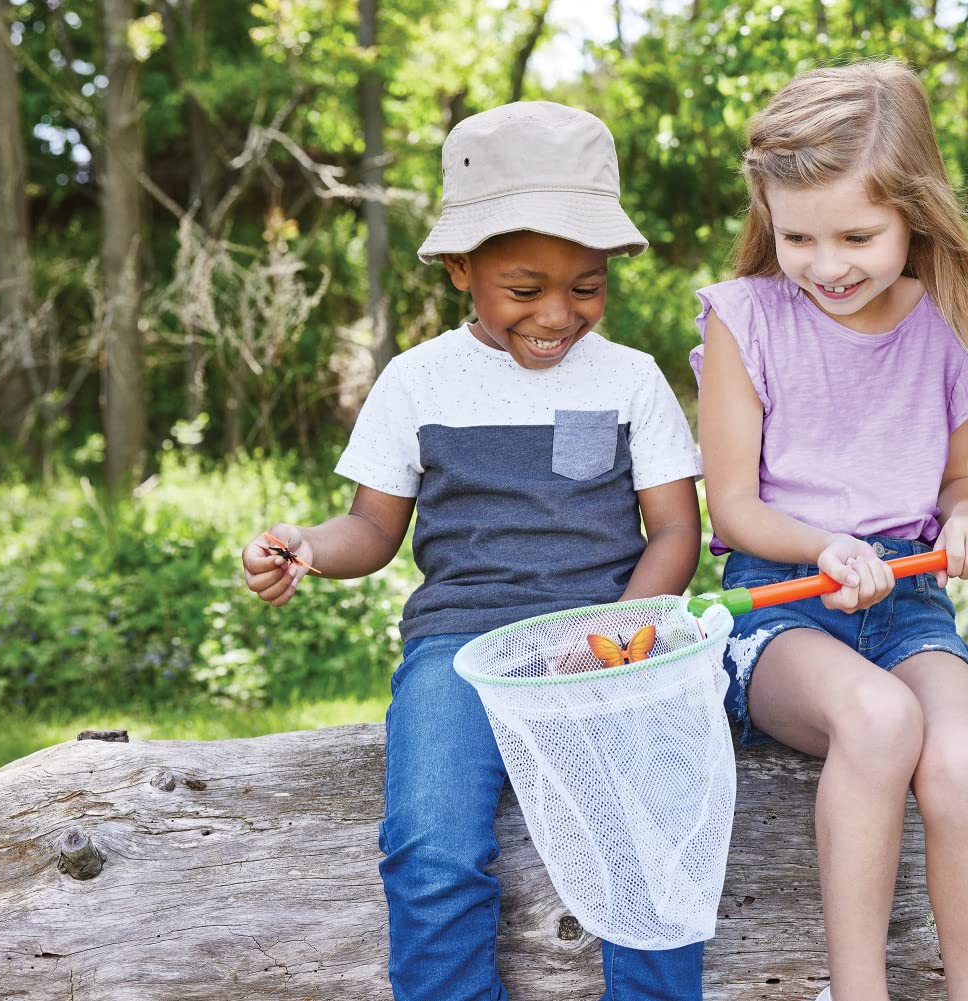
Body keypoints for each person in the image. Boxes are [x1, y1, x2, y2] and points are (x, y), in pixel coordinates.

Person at [242, 102, 706, 1001]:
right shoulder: (418, 380)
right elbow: (373, 529)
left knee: (650, 827)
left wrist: (616, 637)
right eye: (526, 289)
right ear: (461, 268)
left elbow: (675, 531)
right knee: (430, 845)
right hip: (460, 648)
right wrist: (305, 545)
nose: (559, 314)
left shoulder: (631, 378)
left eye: (587, 286)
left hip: (604, 648)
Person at [692, 61, 968, 1001]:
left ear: (916, 216)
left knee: (964, 758)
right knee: (882, 718)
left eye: (857, 234)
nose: (827, 263)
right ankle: (858, 992)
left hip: (908, 604)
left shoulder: (952, 327)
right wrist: (823, 547)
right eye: (797, 234)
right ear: (765, 216)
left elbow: (959, 482)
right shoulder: (747, 319)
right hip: (780, 606)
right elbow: (730, 508)